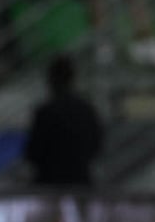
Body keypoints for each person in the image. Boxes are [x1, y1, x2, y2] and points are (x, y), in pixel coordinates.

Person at [24, 54, 104, 187]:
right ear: (72, 78)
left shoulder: (45, 112)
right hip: (80, 183)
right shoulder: (86, 110)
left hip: (49, 184)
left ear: (51, 79)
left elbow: (33, 152)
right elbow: (97, 146)